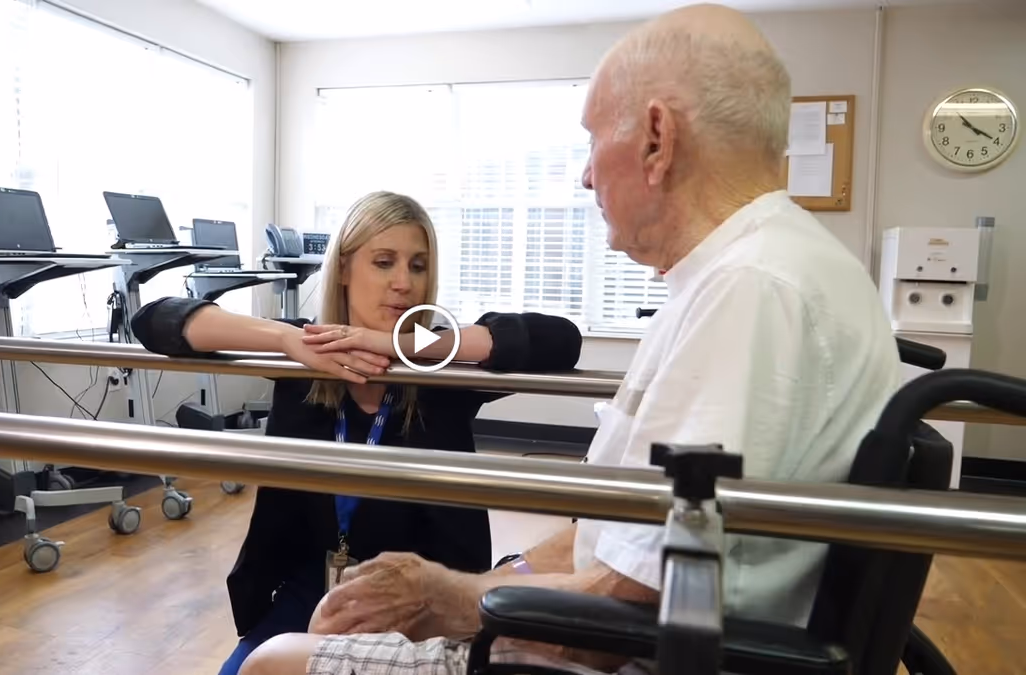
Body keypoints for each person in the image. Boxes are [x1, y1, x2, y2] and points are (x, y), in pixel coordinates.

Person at [236, 5, 902, 675]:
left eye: (592, 141)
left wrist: (447, 598)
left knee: (274, 664)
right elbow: (615, 546)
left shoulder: (750, 291)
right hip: (635, 630)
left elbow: (630, 606)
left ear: (657, 139)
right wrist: (501, 578)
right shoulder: (758, 272)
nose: (585, 176)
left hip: (630, 654)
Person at [129, 190, 583, 675]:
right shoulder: (306, 352)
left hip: (418, 601)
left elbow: (560, 339)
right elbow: (157, 319)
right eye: (384, 262)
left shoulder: (441, 372)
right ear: (344, 268)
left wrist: (403, 345)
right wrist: (286, 338)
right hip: (310, 591)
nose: (403, 283)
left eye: (417, 266)